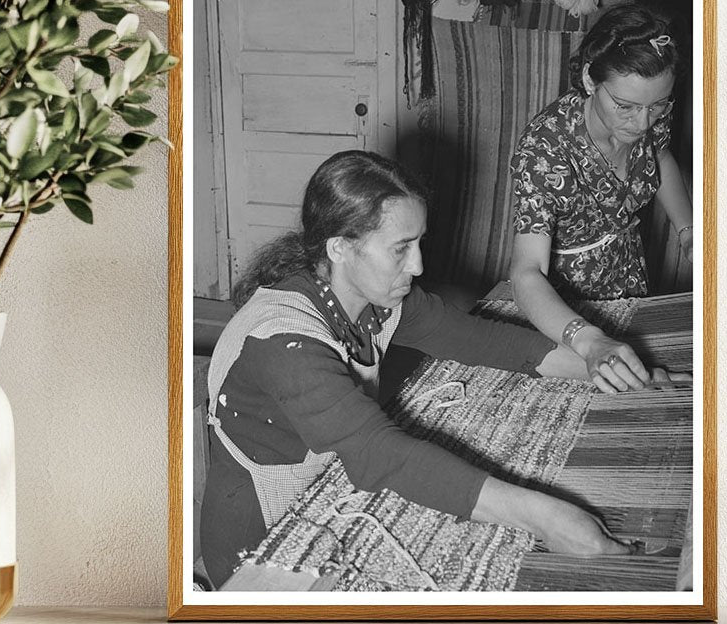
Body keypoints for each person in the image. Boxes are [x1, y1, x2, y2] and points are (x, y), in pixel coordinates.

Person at [200, 150, 643, 588]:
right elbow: (379, 453)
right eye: (400, 249)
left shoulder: (376, 298)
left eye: (418, 244)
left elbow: (484, 341)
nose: (418, 266)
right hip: (264, 540)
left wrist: (601, 364)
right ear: (339, 247)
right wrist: (546, 517)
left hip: (327, 488)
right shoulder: (282, 341)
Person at [509, 3, 694, 395]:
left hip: (631, 279)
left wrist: (687, 229)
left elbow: (658, 154)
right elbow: (526, 273)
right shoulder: (544, 151)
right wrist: (585, 338)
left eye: (657, 106)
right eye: (624, 107)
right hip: (565, 309)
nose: (642, 122)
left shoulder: (649, 110)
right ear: (591, 80)